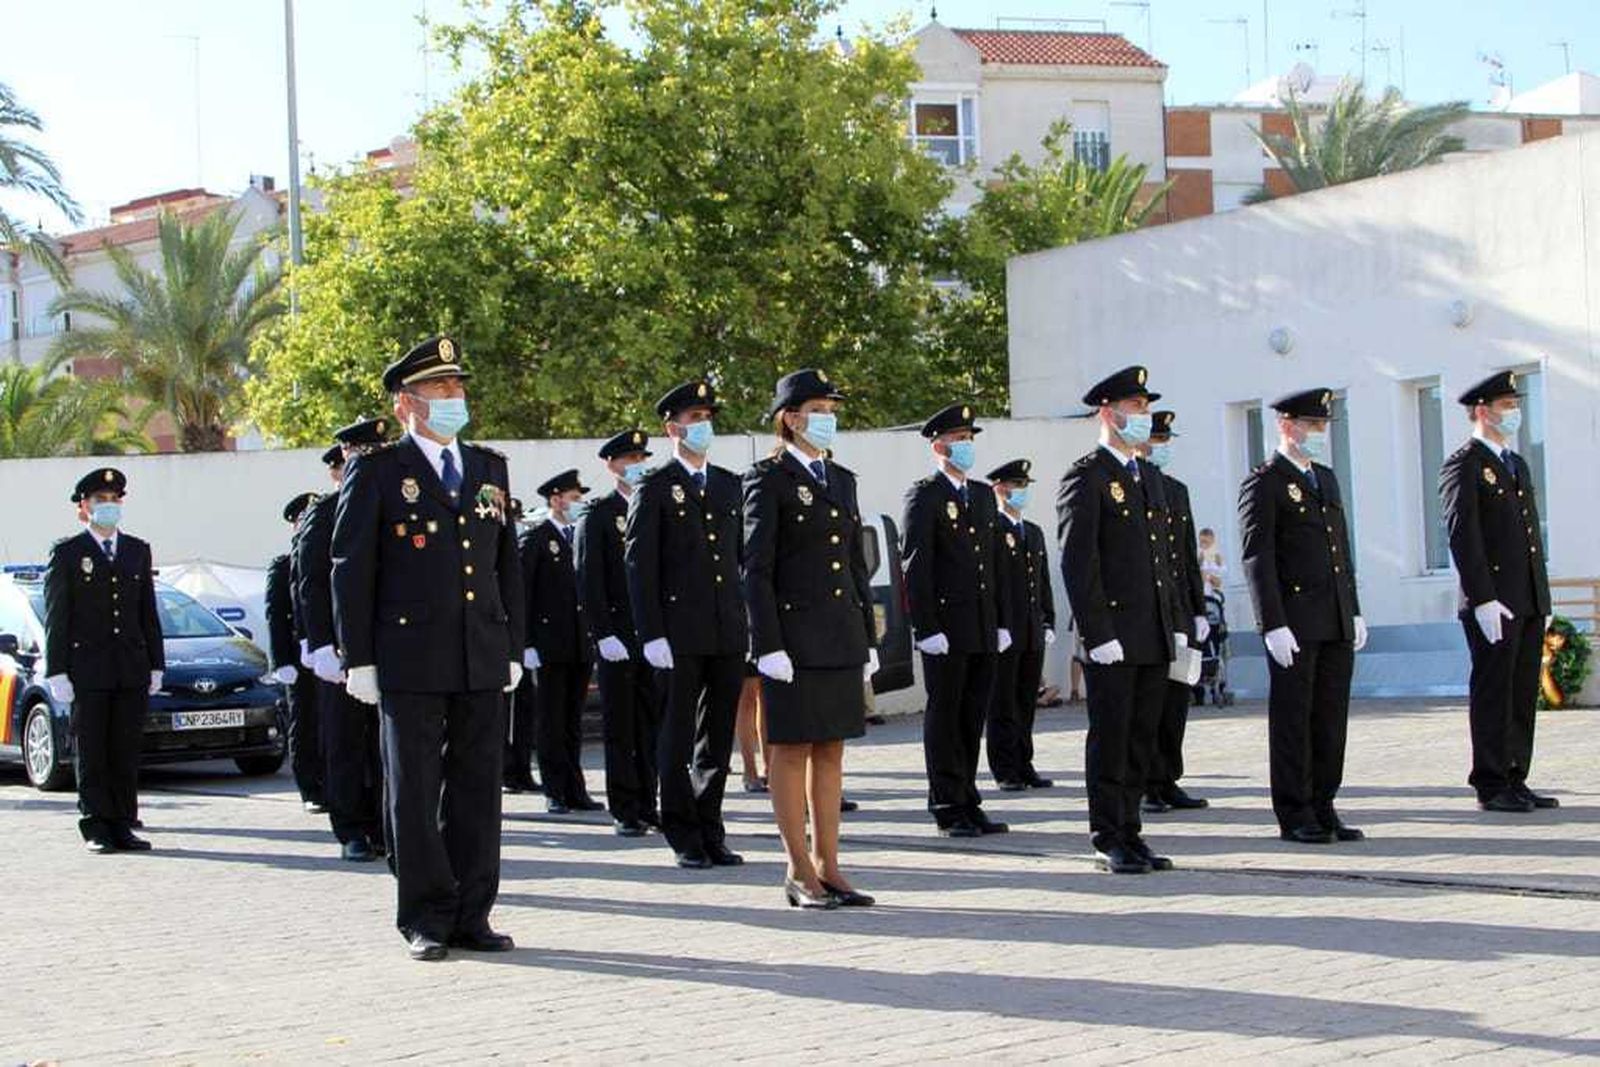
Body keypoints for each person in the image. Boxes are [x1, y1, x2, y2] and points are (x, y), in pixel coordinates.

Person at [330, 334, 525, 961]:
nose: (454, 397)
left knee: (477, 787)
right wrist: (356, 656)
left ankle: (473, 912)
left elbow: (505, 565)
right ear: (405, 405)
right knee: (413, 790)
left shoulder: (489, 467)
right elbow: (350, 567)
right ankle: (425, 915)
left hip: (479, 651)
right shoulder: (380, 470)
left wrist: (513, 644)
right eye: (440, 389)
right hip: (409, 656)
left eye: (457, 386)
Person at [744, 369, 879, 909]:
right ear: (791, 418)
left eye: (831, 408)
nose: (827, 418)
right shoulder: (767, 478)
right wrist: (767, 643)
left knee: (831, 750)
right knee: (791, 748)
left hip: (839, 634)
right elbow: (755, 568)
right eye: (818, 409)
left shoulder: (840, 479)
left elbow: (853, 564)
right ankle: (798, 869)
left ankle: (830, 866)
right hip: (793, 641)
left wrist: (866, 635)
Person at [1056, 366, 1178, 874]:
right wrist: (1096, 631)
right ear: (1108, 413)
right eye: (1136, 408)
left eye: (1147, 408)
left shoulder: (1148, 476)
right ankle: (1109, 834)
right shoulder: (1086, 478)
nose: (1144, 417)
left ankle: (1133, 830)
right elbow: (1077, 561)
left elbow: (1161, 558)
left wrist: (1175, 622)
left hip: (1151, 631)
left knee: (1141, 737)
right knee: (1111, 736)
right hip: (1113, 635)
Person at [625, 379, 747, 870]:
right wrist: (651, 633)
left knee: (716, 738)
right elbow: (640, 566)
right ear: (670, 427)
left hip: (725, 629)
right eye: (694, 419)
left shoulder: (726, 483)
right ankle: (681, 831)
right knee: (676, 736)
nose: (703, 426)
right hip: (677, 633)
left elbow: (740, 559)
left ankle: (710, 826)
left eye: (707, 418)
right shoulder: (654, 486)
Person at [1239, 388, 1367, 845]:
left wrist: (1352, 609)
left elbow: (1340, 553)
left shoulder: (1325, 480)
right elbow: (1258, 558)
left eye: (1322, 426)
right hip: (1293, 621)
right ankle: (1295, 811)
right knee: (1295, 719)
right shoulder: (1266, 482)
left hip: (1332, 617)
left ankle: (1323, 804)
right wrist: (1271, 623)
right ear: (1285, 425)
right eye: (1310, 425)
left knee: (1330, 717)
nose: (1317, 433)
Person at [1439, 370, 1557, 813]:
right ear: (1483, 410)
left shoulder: (1515, 463)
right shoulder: (1464, 464)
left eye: (1516, 405)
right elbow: (1462, 535)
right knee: (1494, 690)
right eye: (1508, 406)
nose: (1516, 413)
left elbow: (1527, 537)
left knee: (1522, 690)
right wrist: (1482, 597)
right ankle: (1490, 781)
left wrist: (1539, 594)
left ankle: (1515, 775)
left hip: (1525, 597)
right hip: (1493, 601)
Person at [901, 402, 1011, 838]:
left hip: (981, 625)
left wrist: (1000, 620)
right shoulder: (925, 495)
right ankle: (946, 802)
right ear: (938, 445)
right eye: (957, 439)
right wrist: (926, 627)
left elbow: (993, 562)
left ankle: (968, 797)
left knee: (971, 716)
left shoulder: (982, 495)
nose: (965, 446)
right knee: (945, 716)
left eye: (969, 439)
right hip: (945, 628)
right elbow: (916, 564)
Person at [42, 468, 163, 854]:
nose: (107, 507)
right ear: (83, 507)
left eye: (113, 500)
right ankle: (96, 824)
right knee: (92, 750)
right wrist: (57, 670)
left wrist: (156, 663)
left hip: (130, 666)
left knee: (124, 750)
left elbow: (148, 612)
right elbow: (57, 616)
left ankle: (123, 823)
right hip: (88, 670)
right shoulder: (68, 553)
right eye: (99, 500)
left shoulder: (136, 550)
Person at [299, 417, 391, 862]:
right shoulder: (324, 512)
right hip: (339, 649)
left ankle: (383, 824)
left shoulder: (394, 506)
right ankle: (352, 828)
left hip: (387, 644)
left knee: (385, 743)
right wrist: (319, 644)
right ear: (343, 462)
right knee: (346, 743)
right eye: (362, 454)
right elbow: (311, 583)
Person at [577, 430, 662, 835]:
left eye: (642, 456)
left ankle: (649, 801)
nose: (638, 463)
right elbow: (588, 579)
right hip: (617, 637)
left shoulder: (652, 506)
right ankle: (625, 807)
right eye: (629, 458)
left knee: (652, 724)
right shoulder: (598, 514)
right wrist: (602, 633)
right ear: (611, 465)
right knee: (621, 727)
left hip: (652, 636)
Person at [1141, 411, 1212, 813]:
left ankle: (1168, 778)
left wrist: (1198, 608)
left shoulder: (1176, 490)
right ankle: (1149, 781)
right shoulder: (1133, 487)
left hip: (1181, 612)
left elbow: (1187, 556)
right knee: (1151, 701)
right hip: (1152, 615)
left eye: (1167, 441)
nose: (1163, 447)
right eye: (1158, 440)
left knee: (1176, 700)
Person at [524, 468, 601, 814]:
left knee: (572, 721)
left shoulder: (579, 535)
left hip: (579, 643)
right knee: (551, 721)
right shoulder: (537, 538)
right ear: (556, 499)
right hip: (549, 645)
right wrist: (525, 643)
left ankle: (575, 788)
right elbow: (523, 594)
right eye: (573, 498)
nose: (578, 503)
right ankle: (555, 789)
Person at [983, 458, 1057, 792]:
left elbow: (1042, 581)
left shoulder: (1034, 532)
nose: (1021, 492)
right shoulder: (991, 529)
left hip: (1031, 628)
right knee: (1003, 701)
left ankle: (1024, 762)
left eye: (1025, 486)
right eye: (1016, 486)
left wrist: (1048, 619)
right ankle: (1004, 768)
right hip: (1005, 630)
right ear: (999, 488)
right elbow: (991, 582)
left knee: (1026, 699)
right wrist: (996, 624)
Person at [265, 493, 316, 742]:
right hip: (297, 657)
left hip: (325, 654)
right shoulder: (283, 566)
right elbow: (276, 616)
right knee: (304, 721)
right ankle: (307, 778)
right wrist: (282, 661)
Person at [735, 671, 768, 793]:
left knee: (768, 695)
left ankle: (769, 767)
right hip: (748, 654)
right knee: (748, 692)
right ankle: (749, 771)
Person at [1198, 527, 1227, 593]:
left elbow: (1222, 571)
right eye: (1201, 542)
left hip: (1214, 588)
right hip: (1204, 590)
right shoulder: (1201, 556)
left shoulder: (1217, 556)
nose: (1203, 545)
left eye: (1206, 542)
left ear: (1213, 542)